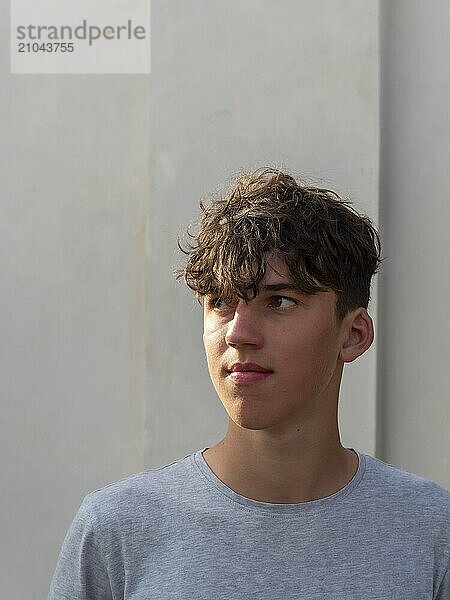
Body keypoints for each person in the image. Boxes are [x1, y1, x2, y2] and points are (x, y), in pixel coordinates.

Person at [49, 167, 450, 599]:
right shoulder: (116, 531)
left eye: (279, 301)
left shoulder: (431, 531)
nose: (238, 333)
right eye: (220, 302)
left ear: (353, 335)